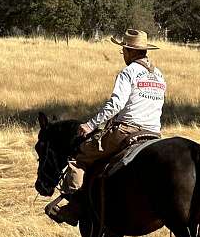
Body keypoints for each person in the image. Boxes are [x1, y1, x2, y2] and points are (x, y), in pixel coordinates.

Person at [46, 28, 167, 225]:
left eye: (124, 51)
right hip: (153, 133)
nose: (123, 55)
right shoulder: (159, 76)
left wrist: (91, 125)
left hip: (126, 130)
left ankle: (73, 206)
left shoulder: (128, 72)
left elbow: (116, 104)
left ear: (130, 51)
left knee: (79, 157)